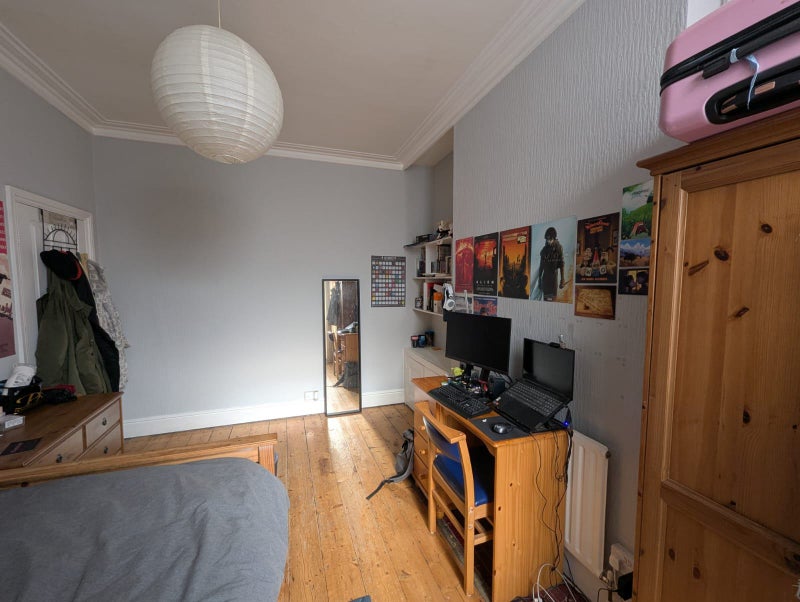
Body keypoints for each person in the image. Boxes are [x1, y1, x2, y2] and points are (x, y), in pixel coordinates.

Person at [538, 226, 565, 301]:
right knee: (546, 299)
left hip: (553, 278)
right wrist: (539, 280)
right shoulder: (544, 250)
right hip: (545, 278)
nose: (548, 241)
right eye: (547, 239)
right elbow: (541, 266)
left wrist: (562, 280)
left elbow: (561, 264)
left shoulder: (559, 248)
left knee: (552, 300)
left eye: (550, 239)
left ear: (554, 238)